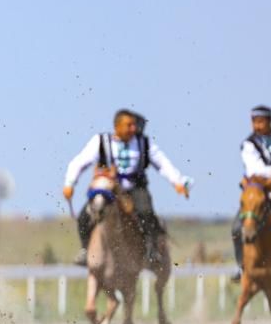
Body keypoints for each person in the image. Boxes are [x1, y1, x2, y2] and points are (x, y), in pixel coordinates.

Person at [63, 109, 192, 266]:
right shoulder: (101, 141)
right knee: (86, 215)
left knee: (146, 212)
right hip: (110, 189)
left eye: (134, 125)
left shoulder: (143, 142)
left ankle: (152, 251)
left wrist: (177, 181)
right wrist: (70, 183)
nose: (133, 128)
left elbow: (162, 163)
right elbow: (79, 162)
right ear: (117, 126)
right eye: (128, 125)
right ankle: (85, 250)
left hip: (135, 188)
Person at [231, 105, 271, 282]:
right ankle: (242, 267)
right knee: (237, 228)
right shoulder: (248, 144)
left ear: (270, 121)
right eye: (254, 122)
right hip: (257, 193)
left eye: (260, 122)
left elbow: (262, 172)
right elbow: (254, 170)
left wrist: (270, 176)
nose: (257, 126)